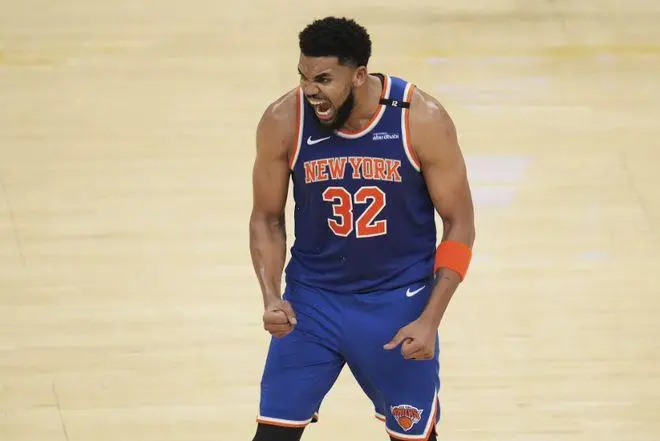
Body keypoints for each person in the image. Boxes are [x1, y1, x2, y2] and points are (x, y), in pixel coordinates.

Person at [248, 16, 475, 441]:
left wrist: (431, 319)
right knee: (272, 435)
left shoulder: (420, 118)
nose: (309, 89)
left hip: (396, 306)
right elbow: (266, 217)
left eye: (323, 79)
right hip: (311, 303)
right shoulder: (284, 119)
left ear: (358, 75)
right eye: (303, 76)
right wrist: (271, 296)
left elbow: (459, 223)